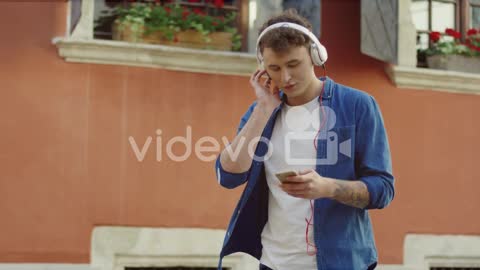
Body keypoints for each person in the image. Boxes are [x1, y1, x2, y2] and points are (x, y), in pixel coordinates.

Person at [214, 9, 394, 270]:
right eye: (274, 68)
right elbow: (227, 176)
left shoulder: (358, 106)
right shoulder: (261, 113)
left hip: (341, 264)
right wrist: (263, 109)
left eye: (293, 64)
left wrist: (327, 187)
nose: (285, 77)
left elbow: (383, 189)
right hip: (274, 264)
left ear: (314, 56)